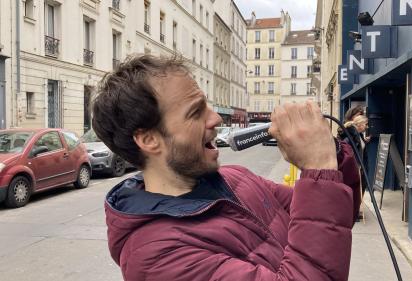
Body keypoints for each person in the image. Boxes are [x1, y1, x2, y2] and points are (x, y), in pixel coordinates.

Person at [92, 55, 359, 281]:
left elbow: (334, 219)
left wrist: (328, 151)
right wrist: (318, 167)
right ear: (149, 140)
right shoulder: (156, 257)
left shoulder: (236, 178)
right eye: (196, 112)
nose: (216, 118)